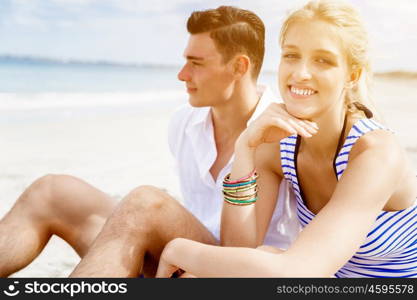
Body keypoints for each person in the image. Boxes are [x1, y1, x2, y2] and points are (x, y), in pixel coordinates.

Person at [0, 6, 300, 278]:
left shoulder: (283, 132)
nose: (183, 75)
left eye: (196, 63)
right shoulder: (183, 123)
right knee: (52, 191)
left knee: (146, 202)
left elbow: (245, 253)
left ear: (239, 67)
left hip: (237, 273)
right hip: (174, 261)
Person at [155, 0, 417, 278]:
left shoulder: (375, 153)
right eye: (291, 55)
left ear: (351, 75)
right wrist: (246, 147)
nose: (300, 74)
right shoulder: (281, 145)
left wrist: (179, 250)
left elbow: (301, 273)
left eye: (322, 60)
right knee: (260, 259)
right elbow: (238, 247)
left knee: (269, 261)